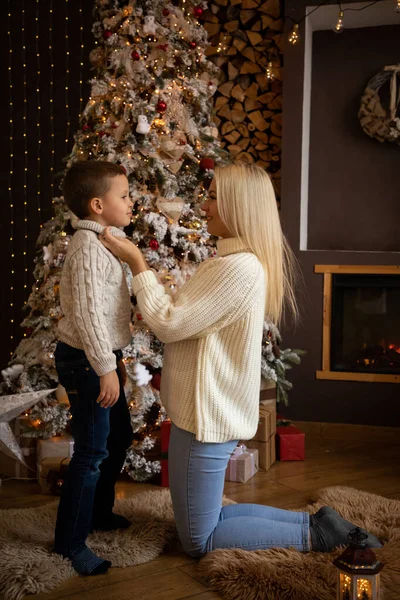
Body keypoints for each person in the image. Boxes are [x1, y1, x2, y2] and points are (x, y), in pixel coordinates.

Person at [101, 163, 382, 557]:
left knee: (199, 540)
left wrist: (137, 262)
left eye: (215, 197)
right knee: (207, 517)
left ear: (238, 206)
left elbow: (169, 321)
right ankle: (318, 523)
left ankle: (314, 535)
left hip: (207, 420)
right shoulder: (228, 263)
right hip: (199, 415)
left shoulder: (237, 268)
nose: (206, 205)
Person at [54, 160, 134, 575]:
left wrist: (114, 357)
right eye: (124, 195)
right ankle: (70, 542)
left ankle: (98, 512)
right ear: (98, 204)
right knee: (92, 449)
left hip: (102, 355)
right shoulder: (86, 250)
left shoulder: (107, 242)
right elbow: (87, 316)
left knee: (119, 434)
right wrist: (105, 367)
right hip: (85, 357)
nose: (131, 201)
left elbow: (105, 309)